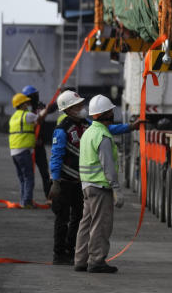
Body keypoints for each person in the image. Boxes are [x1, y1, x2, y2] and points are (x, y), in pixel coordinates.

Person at [50, 91, 142, 265]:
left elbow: (108, 127)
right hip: (64, 181)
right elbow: (56, 156)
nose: (81, 108)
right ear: (68, 110)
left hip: (81, 182)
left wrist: (129, 127)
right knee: (63, 219)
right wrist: (55, 181)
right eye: (77, 106)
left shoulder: (87, 125)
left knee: (80, 220)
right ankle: (59, 254)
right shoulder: (62, 130)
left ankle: (75, 254)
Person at [74, 94, 124, 273]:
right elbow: (108, 166)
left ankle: (80, 260)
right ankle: (96, 261)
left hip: (87, 186)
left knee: (86, 223)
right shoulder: (103, 136)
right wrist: (116, 189)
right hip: (100, 187)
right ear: (105, 114)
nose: (112, 113)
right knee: (101, 225)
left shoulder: (88, 132)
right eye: (110, 111)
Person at [22, 85, 53, 198]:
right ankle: (26, 198)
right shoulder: (23, 109)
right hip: (27, 146)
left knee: (44, 172)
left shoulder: (41, 106)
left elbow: (49, 109)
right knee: (27, 175)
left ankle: (48, 196)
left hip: (38, 145)